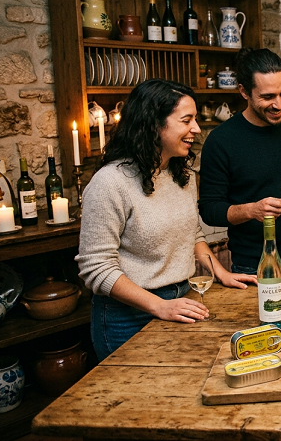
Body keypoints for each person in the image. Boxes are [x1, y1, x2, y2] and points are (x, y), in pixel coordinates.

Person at [76, 79, 256, 361]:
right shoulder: (110, 183)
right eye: (186, 120)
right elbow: (96, 269)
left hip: (181, 300)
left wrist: (220, 272)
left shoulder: (179, 173)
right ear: (153, 124)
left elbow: (192, 232)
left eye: (195, 119)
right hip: (126, 317)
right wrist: (159, 306)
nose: (196, 129)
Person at [198, 48, 281, 280]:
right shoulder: (222, 140)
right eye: (268, 97)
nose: (279, 104)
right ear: (244, 92)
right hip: (253, 267)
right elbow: (210, 210)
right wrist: (252, 210)